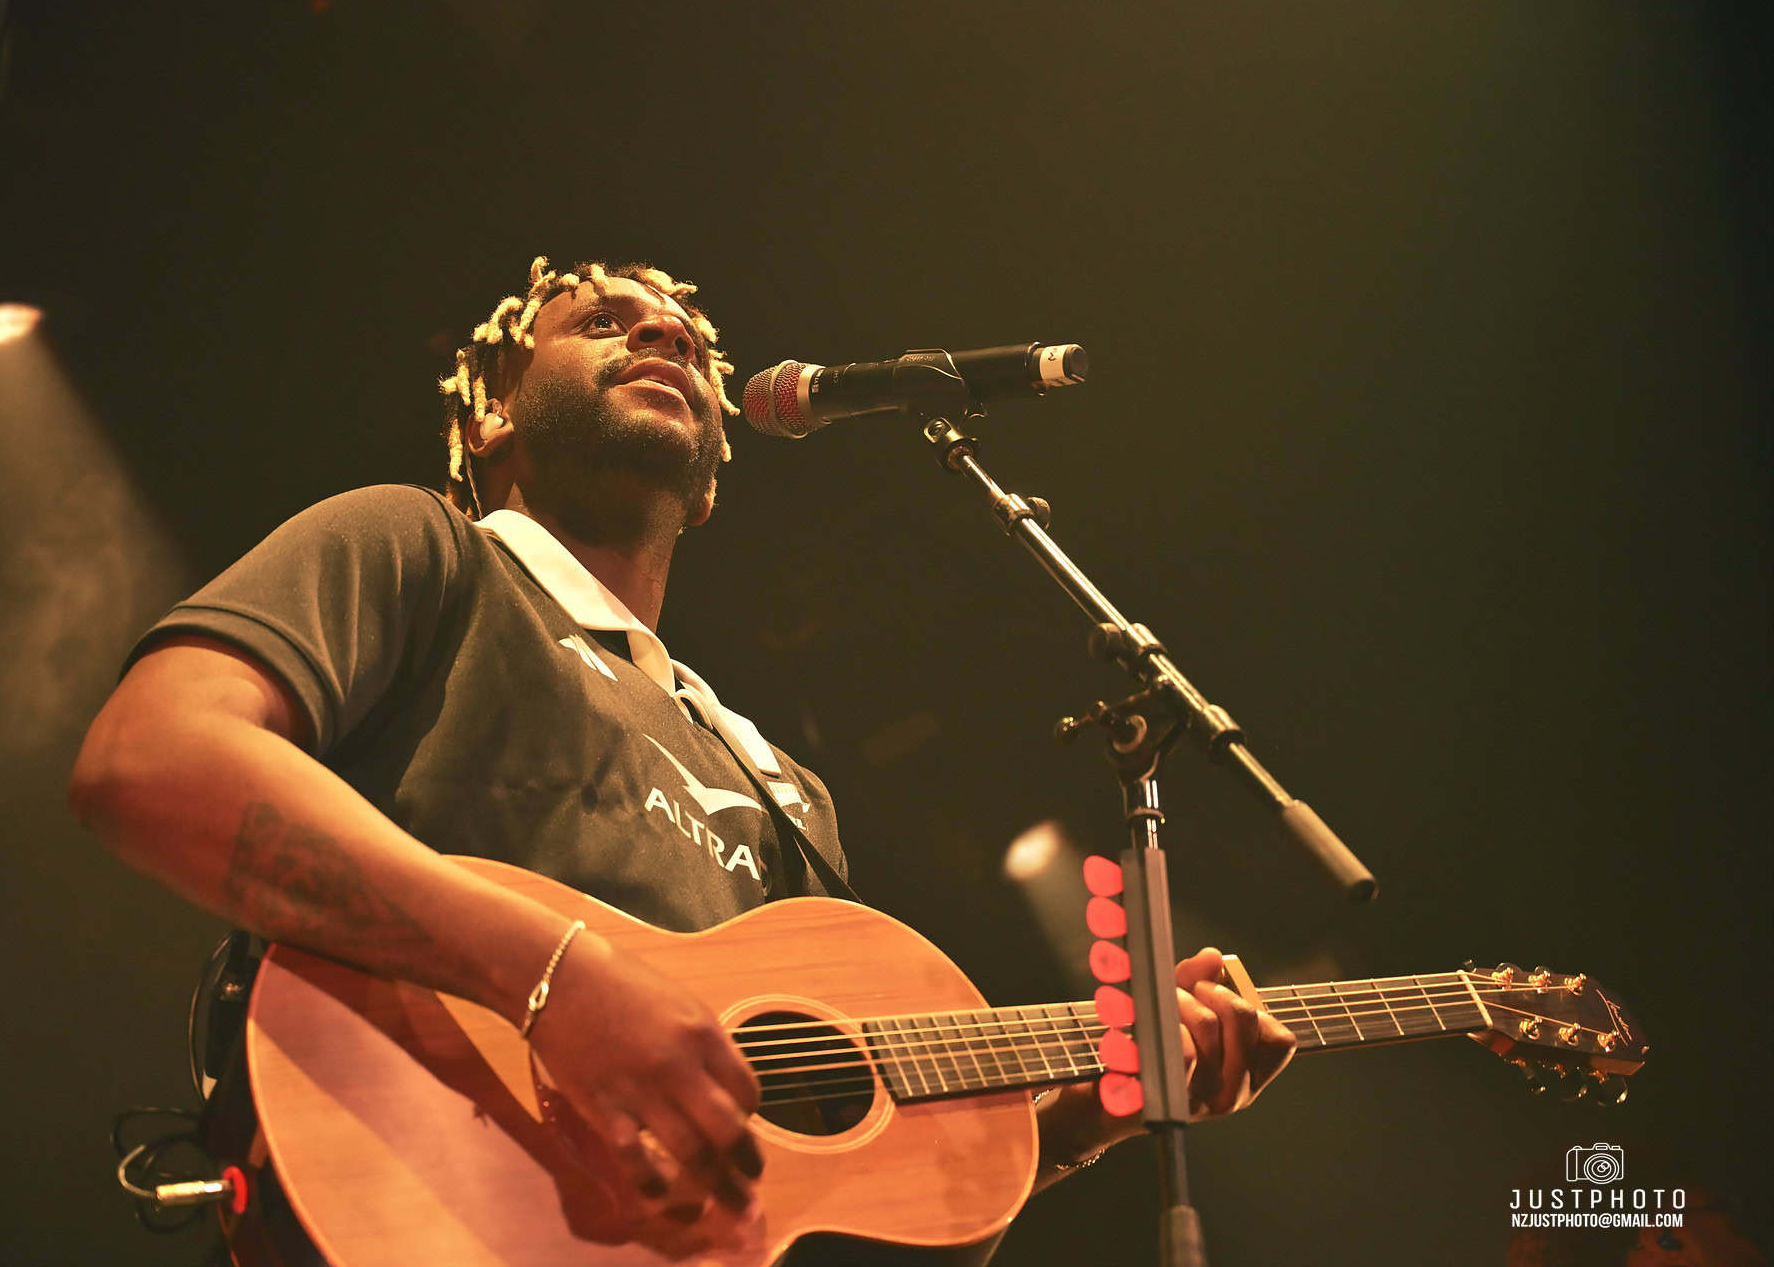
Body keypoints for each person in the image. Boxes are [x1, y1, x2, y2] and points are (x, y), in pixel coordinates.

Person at [69, 257, 1296, 1253]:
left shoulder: (784, 786)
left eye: (687, 343)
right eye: (603, 321)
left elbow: (839, 1189)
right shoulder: (421, 549)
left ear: (709, 480)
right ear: (492, 414)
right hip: (408, 1196)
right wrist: (557, 979)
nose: (662, 332)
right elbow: (155, 756)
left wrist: (1085, 1112)